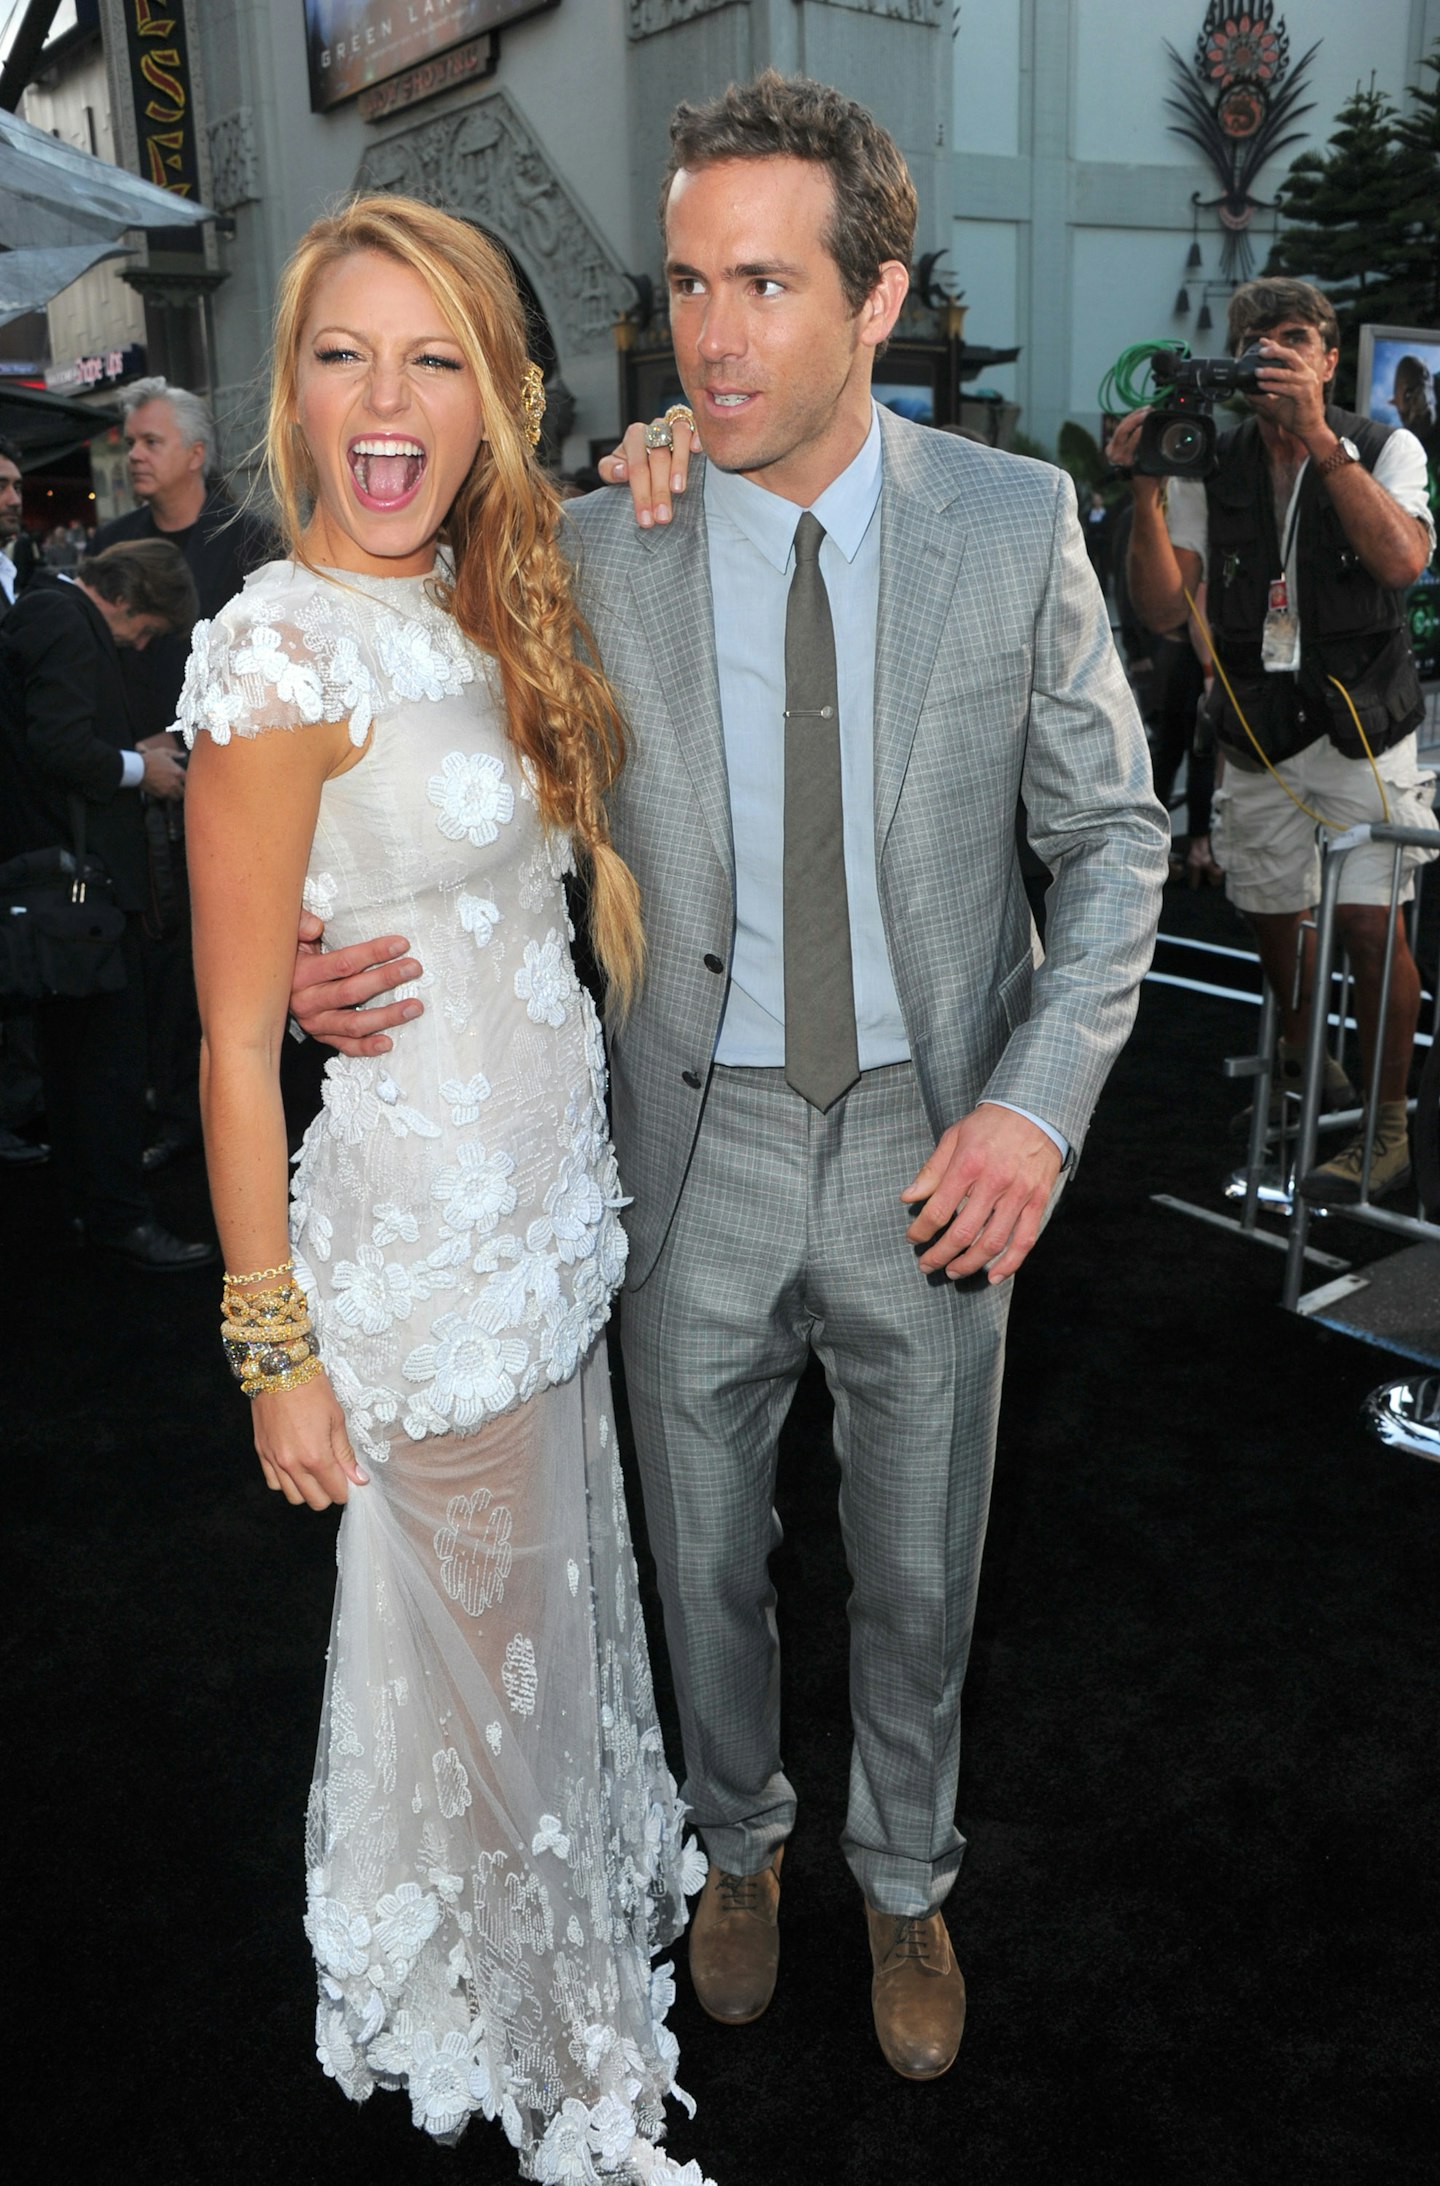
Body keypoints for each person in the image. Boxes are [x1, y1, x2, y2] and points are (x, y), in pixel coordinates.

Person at [289, 75, 1169, 2086]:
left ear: (878, 298)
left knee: (922, 1557)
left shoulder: (1014, 525)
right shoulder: (599, 544)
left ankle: (909, 1870)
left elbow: (1115, 848)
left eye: (765, 284)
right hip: (681, 1146)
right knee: (701, 1557)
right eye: (688, 283)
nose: (712, 333)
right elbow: (447, 791)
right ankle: (743, 1846)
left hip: (934, 1141)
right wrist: (322, 959)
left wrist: (1037, 1102)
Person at [178, 196, 712, 2180]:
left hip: (552, 1222)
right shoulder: (275, 646)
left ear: (493, 396)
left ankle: (522, 1987)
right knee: (504, 1673)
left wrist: (655, 451)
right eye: (343, 357)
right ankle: (591, 2090)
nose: (385, 401)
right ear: (293, 397)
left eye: (433, 359)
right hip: (426, 1255)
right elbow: (234, 1037)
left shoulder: (488, 590)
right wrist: (270, 1351)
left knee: (536, 1647)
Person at [1112, 278, 1437, 1201]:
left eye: (1295, 339)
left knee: (1374, 932)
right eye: (1257, 341)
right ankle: (1304, 1045)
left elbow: (1403, 562)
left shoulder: (1386, 446)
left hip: (1365, 729)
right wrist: (1146, 495)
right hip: (1258, 725)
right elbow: (1164, 608)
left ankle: (1384, 1129)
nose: (1275, 355)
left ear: (1329, 359)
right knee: (1268, 914)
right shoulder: (1214, 461)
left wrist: (1323, 444)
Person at [0, 538, 213, 1267]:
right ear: (122, 597)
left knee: (76, 1064)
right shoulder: (63, 618)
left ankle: (95, 1212)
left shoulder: (47, 612)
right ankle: (120, 1218)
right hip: (82, 892)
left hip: (70, 887)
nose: (140, 644)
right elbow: (57, 745)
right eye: (145, 629)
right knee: (106, 1065)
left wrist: (129, 748)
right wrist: (138, 768)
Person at [92, 378, 270, 1174]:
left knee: (239, 955)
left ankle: (251, 1108)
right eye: (129, 442)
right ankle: (176, 1112)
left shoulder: (250, 539)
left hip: (245, 786)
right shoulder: (116, 545)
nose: (133, 454)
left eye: (150, 441)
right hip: (144, 794)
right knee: (162, 963)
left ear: (196, 455)